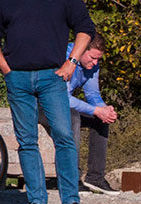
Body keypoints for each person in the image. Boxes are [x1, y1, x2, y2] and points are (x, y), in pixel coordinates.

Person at [0, 0, 94, 204]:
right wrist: (5, 67)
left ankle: (71, 202)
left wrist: (72, 62)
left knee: (64, 136)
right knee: (27, 141)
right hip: (17, 78)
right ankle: (37, 202)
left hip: (53, 76)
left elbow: (85, 29)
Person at [39, 33, 118, 194]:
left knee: (99, 119)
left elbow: (93, 94)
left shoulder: (92, 65)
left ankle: (95, 178)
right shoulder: (63, 57)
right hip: (42, 105)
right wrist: (96, 110)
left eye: (98, 59)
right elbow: (63, 97)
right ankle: (71, 178)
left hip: (61, 104)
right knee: (73, 117)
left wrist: (104, 110)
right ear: (81, 50)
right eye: (92, 58)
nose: (95, 63)